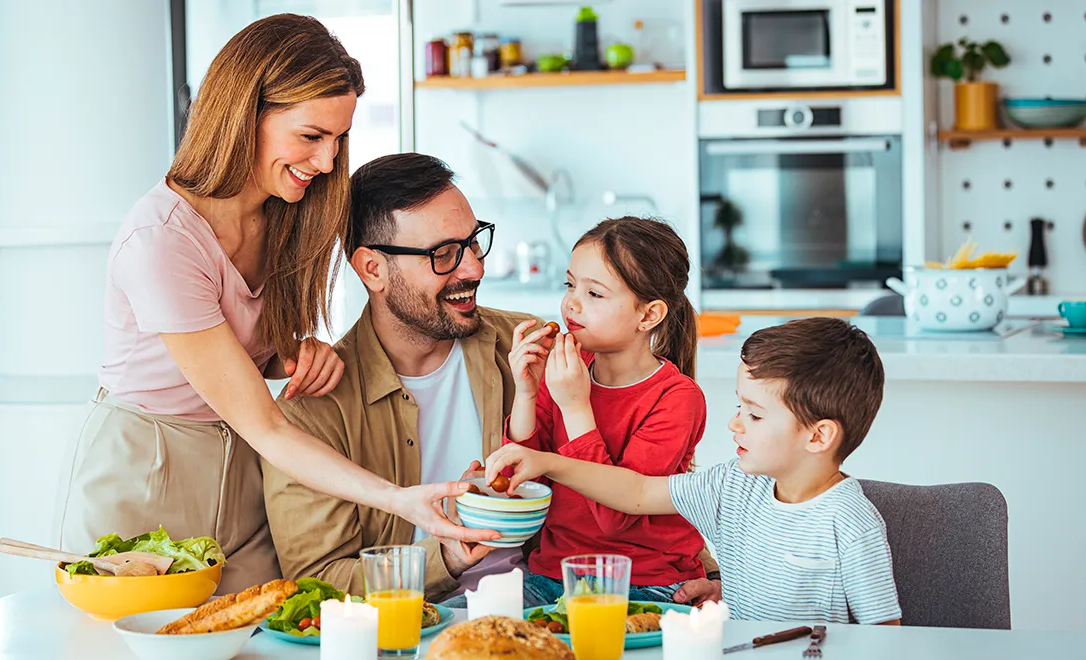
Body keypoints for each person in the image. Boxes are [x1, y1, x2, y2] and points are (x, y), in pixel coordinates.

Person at [53, 16, 489, 595]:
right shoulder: (162, 240)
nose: (330, 162)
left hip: (247, 469)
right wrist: (400, 500)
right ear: (244, 116)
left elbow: (244, 374)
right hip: (149, 467)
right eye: (311, 137)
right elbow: (266, 423)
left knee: (257, 637)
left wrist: (288, 355)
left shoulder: (290, 213)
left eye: (340, 139)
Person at [263, 154, 720, 604]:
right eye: (443, 254)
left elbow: (645, 485)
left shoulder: (533, 348)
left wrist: (716, 576)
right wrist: (447, 556)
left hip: (559, 600)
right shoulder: (312, 409)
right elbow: (317, 583)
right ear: (372, 269)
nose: (474, 269)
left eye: (474, 242)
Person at [487, 317, 903, 624]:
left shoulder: (850, 522)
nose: (735, 423)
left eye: (755, 415)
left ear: (818, 437)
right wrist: (546, 461)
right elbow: (634, 491)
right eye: (740, 407)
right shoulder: (731, 484)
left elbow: (886, 637)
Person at [503, 217, 712, 607]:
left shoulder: (677, 398)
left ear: (648, 315)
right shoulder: (565, 370)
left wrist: (576, 406)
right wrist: (527, 392)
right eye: (570, 284)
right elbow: (525, 485)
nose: (572, 302)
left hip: (646, 585)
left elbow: (617, 516)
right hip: (553, 575)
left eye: (595, 294)